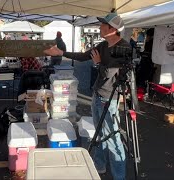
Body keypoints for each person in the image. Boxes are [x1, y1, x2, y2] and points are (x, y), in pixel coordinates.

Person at [44, 12, 130, 180]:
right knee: (98, 134)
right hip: (98, 94)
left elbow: (111, 75)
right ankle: (99, 166)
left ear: (112, 29)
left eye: (102, 25)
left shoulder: (124, 48)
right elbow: (83, 56)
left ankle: (119, 176)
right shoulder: (104, 45)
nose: (99, 27)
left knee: (112, 138)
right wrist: (61, 53)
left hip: (109, 99)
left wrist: (98, 63)